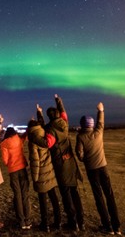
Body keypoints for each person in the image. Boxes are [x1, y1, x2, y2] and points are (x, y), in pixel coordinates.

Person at [29, 94, 84, 231]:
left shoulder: (51, 130)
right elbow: (63, 112)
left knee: (66, 196)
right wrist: (58, 101)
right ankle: (81, 222)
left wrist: (33, 137)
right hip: (71, 163)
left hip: (62, 165)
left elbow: (47, 143)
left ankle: (73, 223)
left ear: (49, 117)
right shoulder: (64, 123)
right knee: (75, 193)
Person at [76, 102, 122, 235]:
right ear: (91, 125)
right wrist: (101, 110)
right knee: (110, 195)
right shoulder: (98, 133)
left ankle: (107, 226)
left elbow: (79, 154)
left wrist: (85, 159)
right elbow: (100, 123)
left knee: (99, 197)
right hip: (103, 167)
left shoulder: (80, 137)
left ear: (82, 125)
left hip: (92, 170)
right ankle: (116, 226)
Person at [27, 117, 62, 232]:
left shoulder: (33, 140)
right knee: (53, 197)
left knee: (42, 201)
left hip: (41, 174)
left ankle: (45, 224)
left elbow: (35, 161)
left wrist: (35, 178)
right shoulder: (44, 134)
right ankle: (58, 221)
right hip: (50, 171)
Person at [0, 125, 32, 230]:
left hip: (13, 171)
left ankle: (21, 221)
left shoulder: (4, 144)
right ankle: (28, 220)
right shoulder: (18, 139)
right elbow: (24, 137)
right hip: (22, 168)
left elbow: (5, 161)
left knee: (17, 195)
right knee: (25, 194)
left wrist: (10, 163)